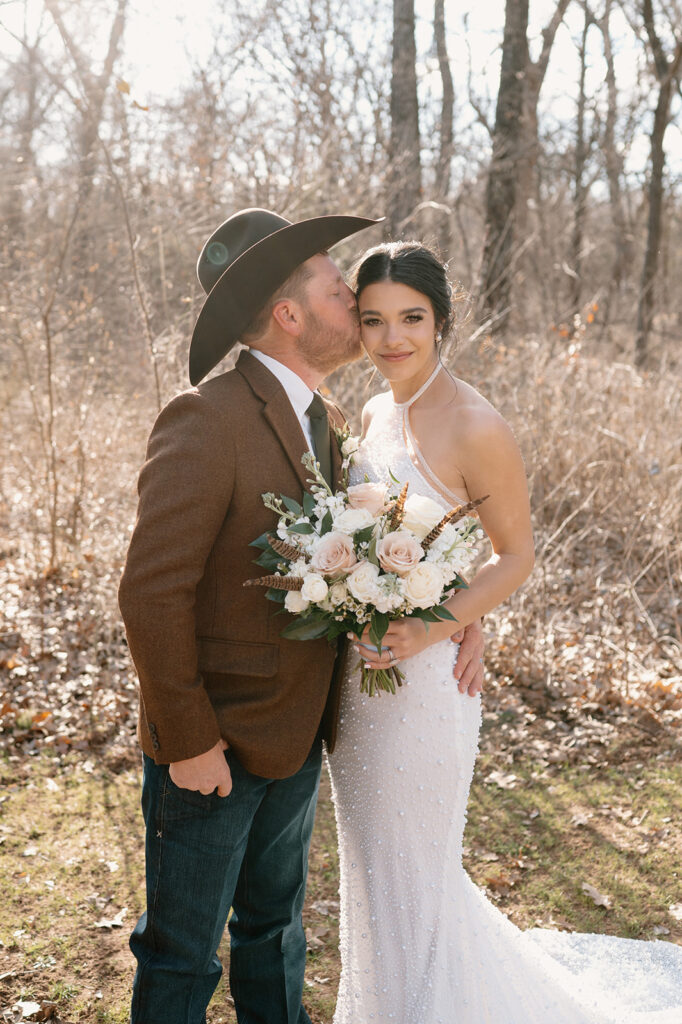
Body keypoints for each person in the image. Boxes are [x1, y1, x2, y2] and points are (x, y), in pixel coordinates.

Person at [118, 210, 485, 1024]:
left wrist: (454, 612)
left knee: (275, 934)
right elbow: (151, 593)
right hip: (211, 749)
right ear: (289, 314)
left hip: (299, 738)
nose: (354, 296)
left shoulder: (331, 421)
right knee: (181, 953)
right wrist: (187, 743)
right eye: (334, 284)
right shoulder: (206, 419)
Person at [327, 241, 682, 1024]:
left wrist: (437, 624)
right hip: (357, 685)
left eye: (412, 319)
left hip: (424, 685)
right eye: (374, 319)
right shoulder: (372, 412)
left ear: (443, 321)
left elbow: (515, 554)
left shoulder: (476, 423)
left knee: (417, 871)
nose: (392, 338)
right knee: (372, 869)